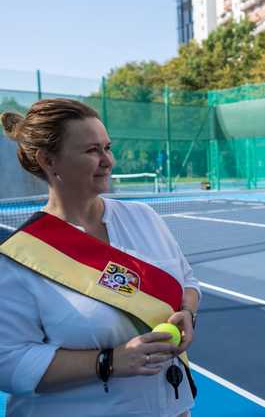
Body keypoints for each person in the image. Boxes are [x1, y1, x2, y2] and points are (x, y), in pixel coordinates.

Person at [0, 99, 200, 416]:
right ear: (49, 160)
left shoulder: (144, 218)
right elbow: (7, 362)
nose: (108, 160)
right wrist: (109, 361)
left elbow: (187, 280)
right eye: (92, 151)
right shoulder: (18, 257)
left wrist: (187, 312)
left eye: (107, 147)